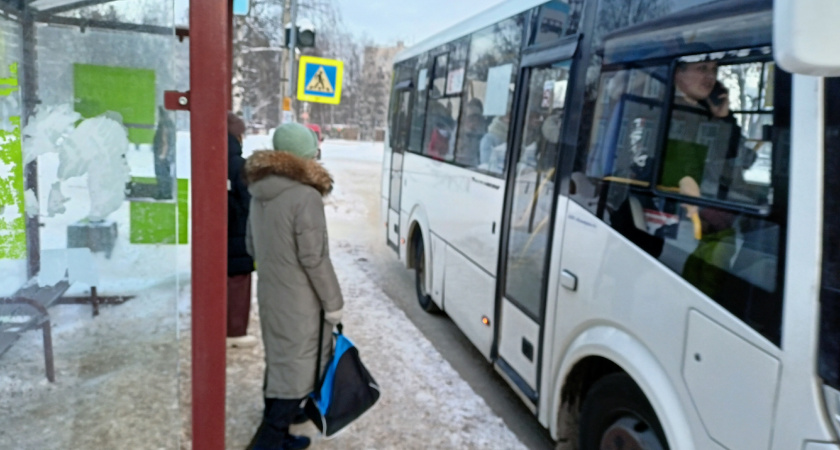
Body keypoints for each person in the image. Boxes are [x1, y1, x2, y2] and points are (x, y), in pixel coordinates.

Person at [244, 122, 344, 450]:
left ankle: (279, 431)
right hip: (300, 301)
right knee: (297, 368)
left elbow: (251, 246)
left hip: (272, 293)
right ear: (305, 155)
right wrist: (333, 302)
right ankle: (268, 441)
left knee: (280, 363)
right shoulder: (305, 196)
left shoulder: (260, 190)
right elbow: (315, 259)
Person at [227, 112, 257, 348]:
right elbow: (250, 201)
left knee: (221, 281)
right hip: (238, 232)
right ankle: (235, 331)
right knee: (238, 282)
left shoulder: (211, 157)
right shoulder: (239, 165)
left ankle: (221, 325)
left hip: (220, 233)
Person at [152, 106, 176, 199]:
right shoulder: (170, 124)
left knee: (162, 175)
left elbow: (164, 140)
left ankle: (164, 193)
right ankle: (165, 192)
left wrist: (162, 155)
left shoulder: (164, 125)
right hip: (166, 155)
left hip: (162, 155)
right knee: (165, 175)